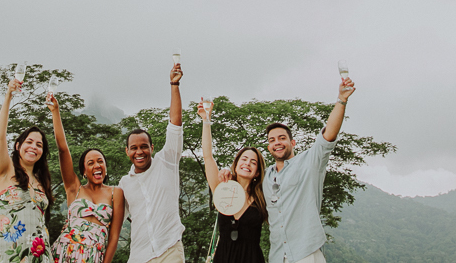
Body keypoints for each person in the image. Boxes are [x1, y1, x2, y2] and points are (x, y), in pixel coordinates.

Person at [260, 76, 355, 263]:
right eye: (272, 140)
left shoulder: (309, 162)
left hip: (306, 253)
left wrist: (341, 100)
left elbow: (328, 136)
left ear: (292, 142)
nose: (277, 143)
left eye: (281, 138)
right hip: (278, 256)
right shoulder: (265, 175)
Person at [47, 92, 125, 263]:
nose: (96, 165)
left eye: (100, 162)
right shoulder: (74, 188)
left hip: (93, 257)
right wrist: (55, 112)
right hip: (63, 253)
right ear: (83, 171)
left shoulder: (116, 193)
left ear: (105, 167)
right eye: (90, 163)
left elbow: (114, 237)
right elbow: (63, 150)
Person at [119, 62, 185, 263]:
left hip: (170, 249)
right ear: (127, 151)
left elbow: (175, 123)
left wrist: (174, 85)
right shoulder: (124, 184)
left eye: (144, 146)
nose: (140, 152)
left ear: (152, 148)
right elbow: (112, 218)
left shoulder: (167, 161)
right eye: (134, 148)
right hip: (140, 256)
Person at [0, 76, 55, 263]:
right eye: (29, 142)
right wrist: (8, 96)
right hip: (10, 255)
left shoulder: (41, 182)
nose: (33, 147)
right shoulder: (5, 171)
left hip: (41, 256)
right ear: (18, 145)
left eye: (39, 145)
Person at [197, 98, 267, 263]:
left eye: (253, 162)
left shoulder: (262, 197)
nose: (247, 163)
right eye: (244, 159)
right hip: (223, 257)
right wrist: (206, 121)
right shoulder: (222, 188)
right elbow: (208, 157)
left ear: (257, 172)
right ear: (236, 165)